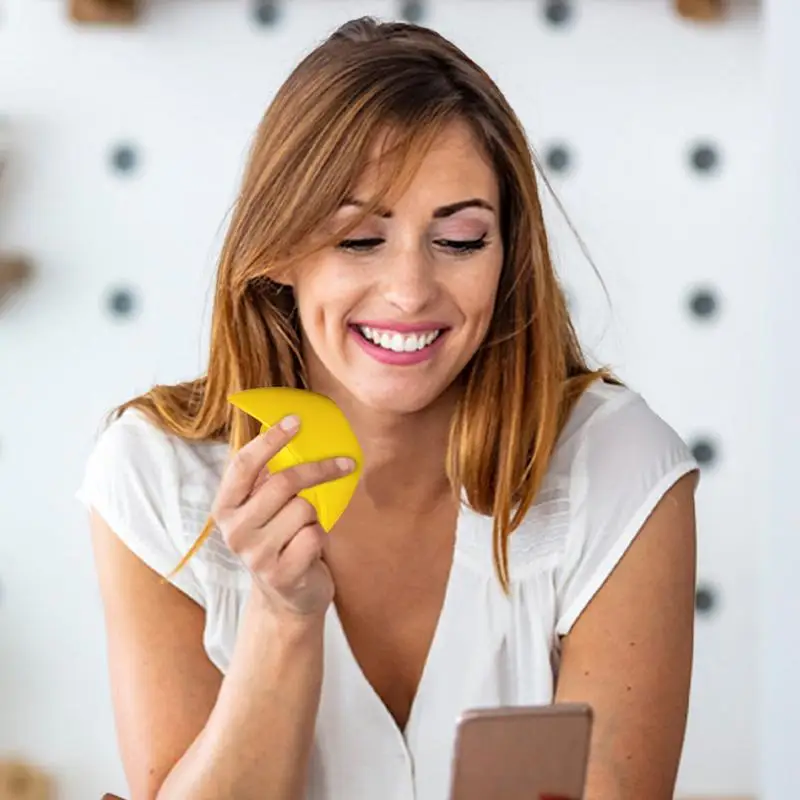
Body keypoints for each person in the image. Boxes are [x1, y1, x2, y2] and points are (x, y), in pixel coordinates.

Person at [77, 16, 699, 800]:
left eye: (462, 239)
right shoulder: (154, 477)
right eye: (359, 240)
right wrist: (281, 615)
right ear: (278, 253)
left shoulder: (619, 467)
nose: (409, 291)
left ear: (509, 258)